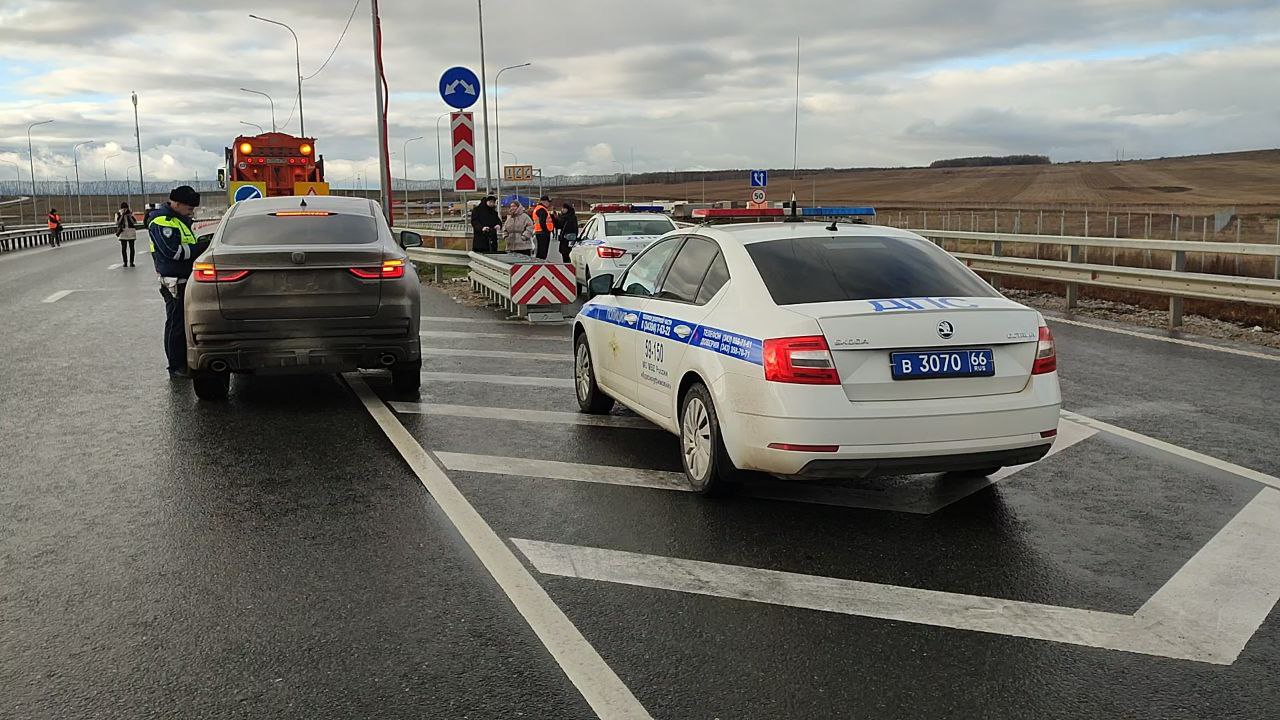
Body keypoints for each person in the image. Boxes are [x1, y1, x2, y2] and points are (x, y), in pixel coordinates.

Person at [148, 185, 209, 379]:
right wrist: (201, 247)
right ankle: (176, 366)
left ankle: (181, 363)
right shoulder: (163, 222)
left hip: (182, 278)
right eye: (189, 208)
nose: (192, 212)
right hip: (173, 281)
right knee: (176, 324)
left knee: (182, 323)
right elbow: (175, 252)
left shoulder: (178, 219)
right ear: (177, 203)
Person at [531, 195, 556, 259]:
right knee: (542, 252)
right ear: (544, 202)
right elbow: (543, 222)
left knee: (540, 251)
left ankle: (539, 264)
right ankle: (541, 265)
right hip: (543, 233)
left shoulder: (538, 208)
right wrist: (546, 230)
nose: (549, 203)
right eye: (548, 202)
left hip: (539, 231)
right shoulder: (542, 209)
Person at [115, 202, 138, 267]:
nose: (125, 210)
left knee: (132, 248)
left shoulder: (130, 213)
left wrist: (130, 216)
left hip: (131, 232)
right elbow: (117, 223)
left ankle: (131, 262)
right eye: (123, 208)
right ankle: (125, 262)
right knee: (123, 248)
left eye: (126, 208)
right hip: (123, 233)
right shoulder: (118, 214)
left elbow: (134, 222)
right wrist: (122, 215)